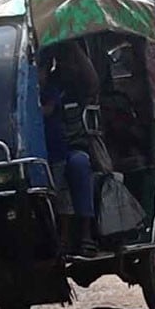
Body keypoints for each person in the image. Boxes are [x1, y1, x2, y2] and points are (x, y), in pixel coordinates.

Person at [39, 44, 99, 256]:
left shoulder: (63, 86)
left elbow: (92, 84)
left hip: (66, 149)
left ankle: (85, 232)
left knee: (78, 164)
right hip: (34, 152)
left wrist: (69, 43)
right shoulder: (22, 87)